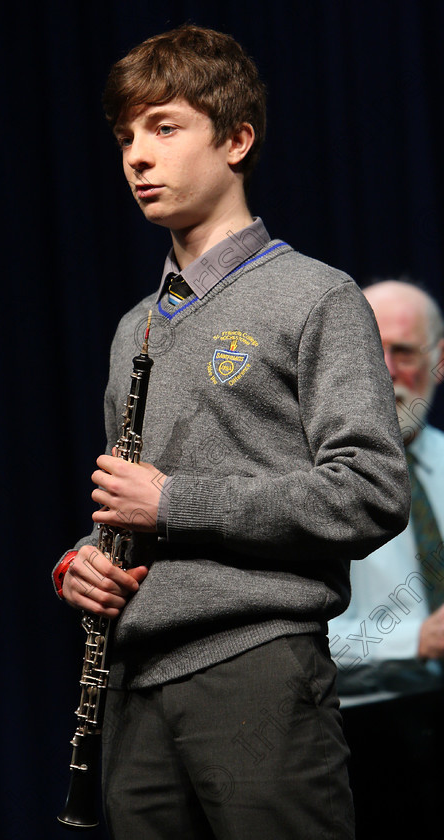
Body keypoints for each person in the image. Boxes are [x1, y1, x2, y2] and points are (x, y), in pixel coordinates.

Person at [53, 25, 409, 840]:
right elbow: (132, 512)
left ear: (237, 139)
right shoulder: (132, 329)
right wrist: (87, 563)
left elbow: (371, 491)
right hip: (134, 687)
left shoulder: (313, 296)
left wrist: (176, 503)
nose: (138, 156)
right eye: (126, 136)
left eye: (165, 128)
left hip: (255, 669)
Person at [328, 279, 444, 839]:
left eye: (403, 352)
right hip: (357, 736)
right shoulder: (311, 487)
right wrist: (415, 639)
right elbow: (292, 646)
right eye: (370, 353)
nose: (387, 373)